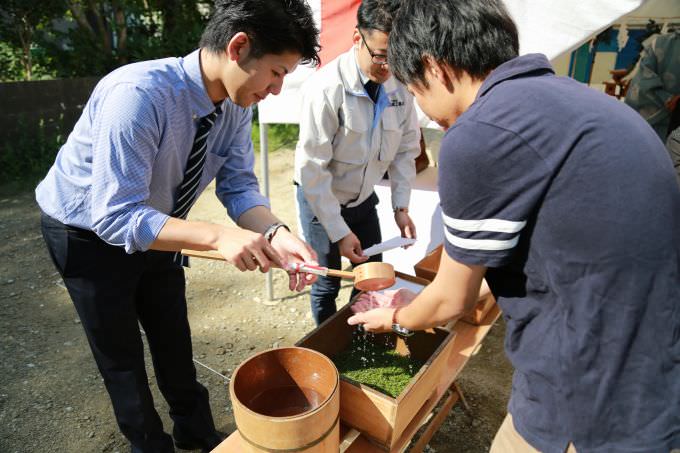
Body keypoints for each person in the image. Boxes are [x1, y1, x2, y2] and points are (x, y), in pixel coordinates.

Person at [348, 1, 680, 452]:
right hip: (655, 376)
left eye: (417, 92)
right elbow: (536, 253)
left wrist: (398, 317)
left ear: (434, 67)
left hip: (588, 398)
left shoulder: (480, 132)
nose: (425, 113)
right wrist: (424, 297)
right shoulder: (581, 102)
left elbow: (452, 299)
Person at [35, 1, 320, 452]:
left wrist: (277, 234)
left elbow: (240, 188)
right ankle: (149, 445)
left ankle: (197, 433)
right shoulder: (137, 94)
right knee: (122, 358)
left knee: (173, 336)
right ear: (238, 46)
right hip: (85, 231)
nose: (278, 89)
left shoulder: (235, 104)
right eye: (277, 72)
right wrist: (218, 236)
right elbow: (115, 215)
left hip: (160, 224)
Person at [294, 0, 420, 325]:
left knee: (371, 275)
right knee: (327, 281)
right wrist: (338, 231)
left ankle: (356, 333)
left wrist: (401, 206)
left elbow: (406, 150)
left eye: (396, 57)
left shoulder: (400, 88)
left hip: (363, 200)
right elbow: (312, 170)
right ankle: (323, 347)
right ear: (356, 39)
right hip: (322, 202)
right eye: (380, 55)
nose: (388, 66)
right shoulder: (325, 89)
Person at [624, 29, 680, 140]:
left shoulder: (659, 43)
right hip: (654, 127)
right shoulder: (659, 43)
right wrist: (669, 99)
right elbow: (642, 81)